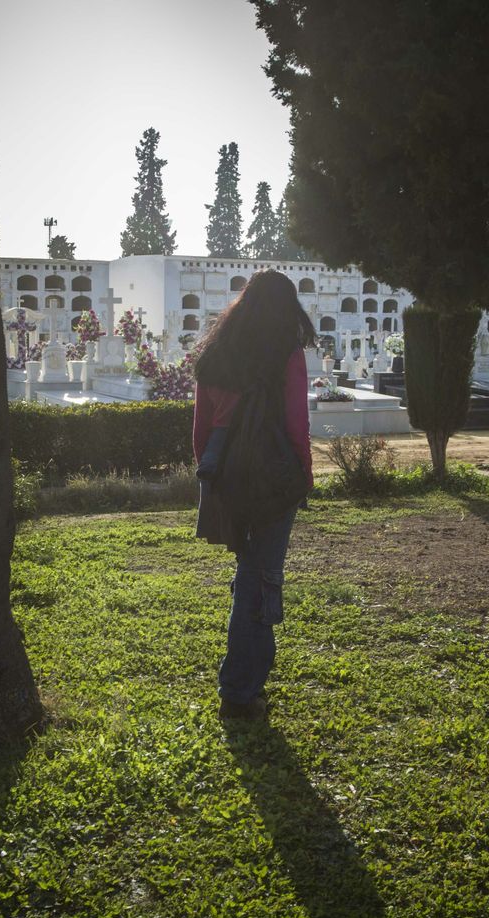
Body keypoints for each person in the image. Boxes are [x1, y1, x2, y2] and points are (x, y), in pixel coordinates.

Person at [191, 269, 316, 722]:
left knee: (250, 571)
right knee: (261, 579)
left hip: (223, 472)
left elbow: (202, 426)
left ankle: (241, 685)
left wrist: (210, 474)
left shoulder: (217, 353)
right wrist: (304, 473)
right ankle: (240, 692)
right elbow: (295, 422)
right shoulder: (285, 352)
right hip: (270, 476)